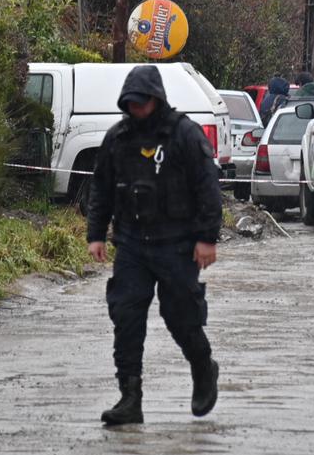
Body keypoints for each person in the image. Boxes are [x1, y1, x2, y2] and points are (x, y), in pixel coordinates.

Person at [86, 65, 223, 426]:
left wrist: (207, 238)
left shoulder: (185, 135)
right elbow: (101, 187)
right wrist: (95, 234)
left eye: (143, 103)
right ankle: (130, 397)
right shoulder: (117, 139)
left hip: (177, 244)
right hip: (132, 242)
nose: (137, 109)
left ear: (156, 100)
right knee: (126, 316)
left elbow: (209, 187)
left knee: (180, 316)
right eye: (131, 104)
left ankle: (203, 367)